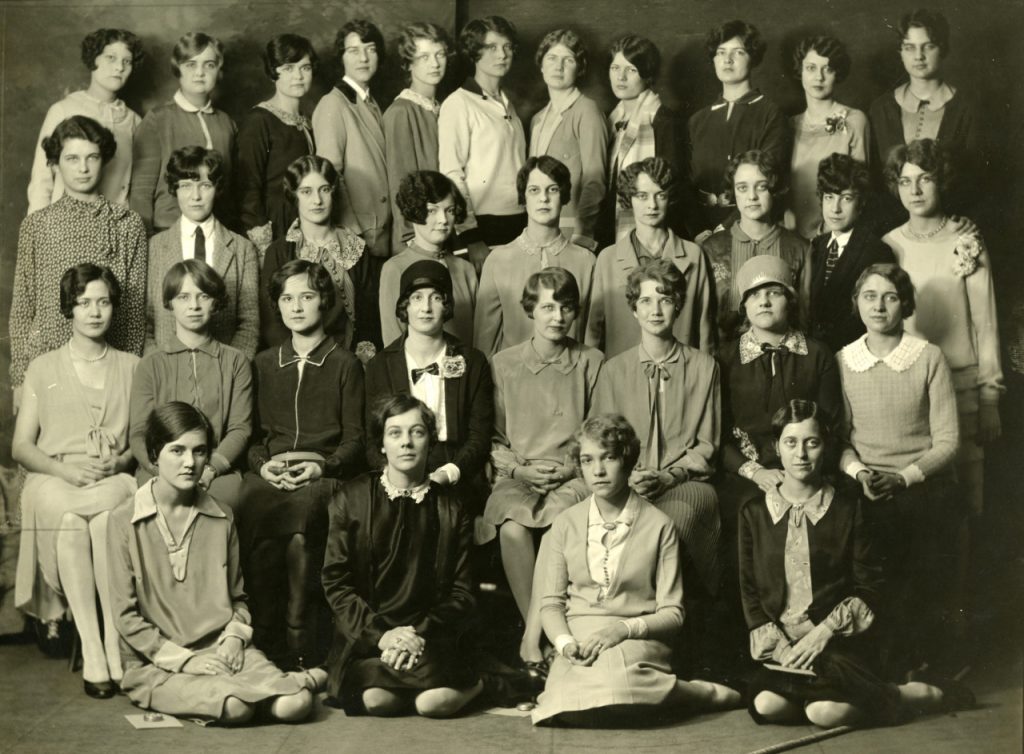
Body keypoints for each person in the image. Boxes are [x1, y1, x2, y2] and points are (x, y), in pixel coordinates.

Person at [740, 399, 972, 728]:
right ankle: (839, 696)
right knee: (766, 705)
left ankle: (910, 695)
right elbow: (750, 592)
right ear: (777, 447)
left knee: (823, 713)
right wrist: (781, 650)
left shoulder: (848, 508)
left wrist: (823, 634)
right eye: (790, 443)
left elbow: (869, 588)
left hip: (837, 644)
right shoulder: (754, 512)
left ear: (826, 447)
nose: (801, 454)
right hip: (786, 649)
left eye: (812, 443)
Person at [108, 402, 323, 725]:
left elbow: (238, 599)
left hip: (221, 649)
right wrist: (185, 662)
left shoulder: (222, 516)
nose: (189, 463)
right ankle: (293, 682)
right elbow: (125, 617)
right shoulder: (123, 520)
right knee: (236, 707)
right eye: (177, 450)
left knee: (297, 705)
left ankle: (292, 685)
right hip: (158, 661)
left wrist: (234, 638)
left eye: (199, 451)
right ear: (154, 454)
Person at [531, 414, 740, 726]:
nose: (598, 470)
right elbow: (550, 604)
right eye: (587, 460)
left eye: (608, 458)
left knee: (618, 688)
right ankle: (659, 697)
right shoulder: (565, 523)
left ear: (627, 461)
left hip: (634, 639)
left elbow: (672, 613)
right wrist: (565, 644)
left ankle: (698, 693)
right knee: (562, 706)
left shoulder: (659, 525)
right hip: (581, 640)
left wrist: (621, 630)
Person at [13, 264, 138, 698]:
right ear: (70, 308)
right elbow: (21, 447)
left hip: (111, 477)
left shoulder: (133, 366)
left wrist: (119, 462)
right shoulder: (42, 367)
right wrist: (65, 471)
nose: (94, 312)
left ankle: (113, 643)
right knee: (69, 521)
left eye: (103, 302)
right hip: (55, 477)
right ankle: (94, 648)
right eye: (84, 303)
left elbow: (140, 443)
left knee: (104, 521)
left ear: (114, 307)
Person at [715, 255, 842, 675]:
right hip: (747, 473)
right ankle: (751, 649)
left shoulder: (817, 354)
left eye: (774, 293)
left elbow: (830, 423)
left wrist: (797, 470)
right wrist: (755, 471)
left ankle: (812, 641)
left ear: (790, 300)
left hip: (807, 469)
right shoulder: (725, 359)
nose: (765, 302)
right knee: (743, 518)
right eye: (754, 295)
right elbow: (718, 432)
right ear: (743, 306)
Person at [321, 395, 484, 716]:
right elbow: (336, 584)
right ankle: (408, 681)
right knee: (376, 700)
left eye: (417, 432)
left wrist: (417, 635)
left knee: (432, 704)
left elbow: (462, 593)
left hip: (431, 636)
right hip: (370, 638)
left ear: (431, 441)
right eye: (395, 433)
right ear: (382, 444)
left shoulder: (452, 507)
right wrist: (383, 637)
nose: (406, 442)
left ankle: (479, 685)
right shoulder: (350, 498)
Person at [239, 259, 365, 669]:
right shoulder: (264, 363)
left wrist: (324, 467)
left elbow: (355, 440)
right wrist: (263, 467)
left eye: (306, 296)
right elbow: (253, 438)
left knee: (302, 524)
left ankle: (299, 638)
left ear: (324, 301)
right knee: (252, 509)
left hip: (322, 474)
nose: (296, 307)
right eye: (286, 298)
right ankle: (263, 636)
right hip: (271, 473)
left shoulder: (345, 363)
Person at [837, 263, 959, 677]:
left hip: (919, 482)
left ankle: (923, 663)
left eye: (890, 297)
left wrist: (904, 477)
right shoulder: (844, 360)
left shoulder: (928, 357)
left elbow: (948, 441)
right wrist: (860, 474)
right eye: (869, 296)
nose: (879, 306)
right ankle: (875, 663)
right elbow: (840, 441)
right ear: (857, 303)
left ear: (904, 304)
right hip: (865, 483)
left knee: (920, 554)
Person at [481, 268, 603, 671]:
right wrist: (519, 472)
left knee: (557, 528)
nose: (557, 317)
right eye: (548, 307)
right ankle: (537, 629)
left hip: (573, 476)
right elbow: (495, 438)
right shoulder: (504, 364)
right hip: (519, 475)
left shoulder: (591, 362)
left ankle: (534, 638)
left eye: (566, 307)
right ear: (530, 310)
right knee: (513, 529)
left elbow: (597, 432)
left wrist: (570, 468)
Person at [881, 139, 1001, 517]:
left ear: (942, 181)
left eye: (925, 179)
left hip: (961, 385)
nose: (915, 190)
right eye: (905, 181)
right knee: (920, 505)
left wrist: (990, 399)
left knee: (968, 502)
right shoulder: (888, 244)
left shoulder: (966, 240)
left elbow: (985, 324)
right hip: (909, 389)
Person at [591, 260, 722, 600]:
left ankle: (669, 617)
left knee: (665, 526)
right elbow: (601, 441)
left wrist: (669, 476)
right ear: (634, 309)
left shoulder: (704, 367)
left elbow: (706, 444)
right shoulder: (613, 370)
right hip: (627, 484)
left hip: (686, 483)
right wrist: (627, 477)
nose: (656, 310)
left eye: (665, 299)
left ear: (678, 305)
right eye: (646, 301)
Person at [10, 116, 148, 406]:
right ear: (55, 163)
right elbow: (23, 306)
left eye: (92, 157)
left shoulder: (127, 223)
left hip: (108, 367)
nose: (83, 168)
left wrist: (129, 373)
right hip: (46, 365)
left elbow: (134, 311)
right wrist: (20, 378)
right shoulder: (37, 225)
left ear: (104, 159)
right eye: (72, 158)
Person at [365, 261, 493, 514]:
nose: (426, 308)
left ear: (446, 305)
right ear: (405, 305)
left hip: (456, 469)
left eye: (435, 298)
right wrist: (395, 476)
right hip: (398, 469)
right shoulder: (380, 365)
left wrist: (449, 473)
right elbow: (371, 438)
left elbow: (479, 435)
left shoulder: (473, 361)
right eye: (417, 298)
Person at [130, 259, 252, 512]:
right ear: (169, 303)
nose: (194, 306)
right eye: (183, 297)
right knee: (160, 503)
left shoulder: (235, 361)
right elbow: (139, 432)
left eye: (203, 296)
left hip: (215, 472)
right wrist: (162, 471)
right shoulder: (150, 364)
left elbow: (240, 428)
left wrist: (210, 469)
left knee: (227, 503)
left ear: (215, 302)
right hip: (159, 470)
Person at [586, 157, 713, 358]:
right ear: (629, 198)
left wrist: (704, 371)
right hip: (623, 370)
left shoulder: (693, 254)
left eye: (660, 195)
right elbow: (593, 332)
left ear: (670, 197)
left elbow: (705, 327)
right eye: (642, 196)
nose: (652, 205)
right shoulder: (607, 258)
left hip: (681, 368)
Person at [314, 19, 391, 347]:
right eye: (354, 50)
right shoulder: (333, 103)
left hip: (381, 237)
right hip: (358, 240)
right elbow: (329, 177)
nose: (363, 58)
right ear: (341, 57)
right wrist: (354, 237)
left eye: (370, 49)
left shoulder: (370, 101)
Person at [146, 146, 260, 359]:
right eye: (186, 186)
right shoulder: (154, 247)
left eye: (205, 185)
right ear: (174, 189)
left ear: (217, 188)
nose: (196, 196)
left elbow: (249, 323)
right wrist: (161, 368)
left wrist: (229, 368)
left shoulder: (242, 249)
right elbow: (146, 321)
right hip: (166, 367)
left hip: (224, 368)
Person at [474, 156, 595, 356]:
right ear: (524, 197)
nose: (543, 198)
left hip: (571, 370)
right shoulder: (498, 260)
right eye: (534, 190)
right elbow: (484, 341)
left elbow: (592, 336)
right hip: (513, 373)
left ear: (564, 196)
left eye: (553, 189)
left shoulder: (586, 261)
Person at [868, 9, 979, 217]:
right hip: (889, 226)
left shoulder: (966, 109)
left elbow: (978, 180)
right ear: (900, 52)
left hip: (951, 225)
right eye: (909, 47)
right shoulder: (881, 109)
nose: (918, 56)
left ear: (943, 48)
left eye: (928, 46)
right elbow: (873, 181)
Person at [27, 28, 143, 213]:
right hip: (64, 223)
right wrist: (37, 226)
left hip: (115, 224)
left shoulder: (135, 121)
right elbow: (42, 180)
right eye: (111, 57)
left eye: (127, 61)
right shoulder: (63, 110)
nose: (119, 67)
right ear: (93, 58)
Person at [689, 20, 789, 234]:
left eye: (738, 52)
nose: (727, 59)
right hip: (699, 231)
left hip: (749, 226)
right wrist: (696, 231)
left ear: (753, 58)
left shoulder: (770, 113)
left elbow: (769, 180)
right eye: (721, 52)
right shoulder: (697, 120)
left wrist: (723, 229)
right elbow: (686, 184)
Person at [438, 15, 527, 257]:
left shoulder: (508, 104)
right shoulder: (458, 103)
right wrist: (470, 236)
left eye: (507, 47)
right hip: (481, 227)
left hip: (519, 222)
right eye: (492, 47)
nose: (502, 55)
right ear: (475, 51)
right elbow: (451, 174)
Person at [130, 32, 237, 233]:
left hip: (218, 231)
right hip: (168, 230)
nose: (200, 73)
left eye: (209, 65)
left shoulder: (226, 122)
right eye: (191, 64)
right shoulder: (158, 119)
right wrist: (146, 240)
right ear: (178, 68)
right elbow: (140, 192)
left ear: (219, 70)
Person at [701, 150, 811, 344]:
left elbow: (805, 320)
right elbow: (705, 322)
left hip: (784, 355)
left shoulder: (800, 248)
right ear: (733, 191)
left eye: (761, 187)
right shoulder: (711, 249)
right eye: (742, 188)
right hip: (725, 356)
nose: (752, 196)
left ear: (774, 189)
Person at [259, 155, 364, 349]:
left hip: (348, 354)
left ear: (334, 192)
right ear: (294, 195)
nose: (317, 200)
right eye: (306, 191)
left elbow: (369, 316)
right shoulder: (279, 252)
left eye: (324, 190)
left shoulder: (355, 247)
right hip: (296, 356)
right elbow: (271, 322)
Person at [602, 34, 692, 243]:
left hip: (654, 232)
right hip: (610, 228)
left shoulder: (664, 120)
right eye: (615, 68)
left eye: (631, 70)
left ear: (647, 74)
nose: (621, 77)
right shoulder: (610, 120)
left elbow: (671, 188)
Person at [237, 34, 318, 257]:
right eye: (288, 68)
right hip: (275, 228)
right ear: (273, 72)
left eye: (305, 68)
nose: (298, 76)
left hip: (306, 222)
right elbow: (248, 189)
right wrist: (264, 245)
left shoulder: (308, 121)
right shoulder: (259, 121)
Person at [530, 29, 610, 251]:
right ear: (541, 65)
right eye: (552, 58)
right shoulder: (537, 119)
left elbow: (595, 180)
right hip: (539, 230)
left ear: (580, 68)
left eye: (568, 60)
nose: (559, 66)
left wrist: (583, 234)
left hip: (571, 233)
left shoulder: (587, 110)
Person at [379, 171, 478, 346]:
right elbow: (393, 342)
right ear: (414, 211)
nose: (443, 220)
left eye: (450, 210)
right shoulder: (395, 268)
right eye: (432, 210)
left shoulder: (465, 269)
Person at [808, 154, 895, 353]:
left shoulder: (876, 251)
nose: (835, 208)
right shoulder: (816, 246)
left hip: (856, 353)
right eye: (829, 197)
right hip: (817, 355)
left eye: (846, 198)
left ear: (861, 203)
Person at [786, 36, 869, 239]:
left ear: (837, 73)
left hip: (837, 233)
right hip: (791, 234)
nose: (819, 77)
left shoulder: (854, 121)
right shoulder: (788, 126)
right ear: (800, 71)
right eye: (811, 68)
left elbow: (860, 190)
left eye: (828, 69)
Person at [384, 22, 452, 250]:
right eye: (424, 57)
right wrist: (410, 241)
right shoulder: (401, 112)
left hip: (443, 229)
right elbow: (400, 185)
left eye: (440, 54)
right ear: (409, 63)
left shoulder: (443, 108)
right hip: (417, 238)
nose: (435, 64)